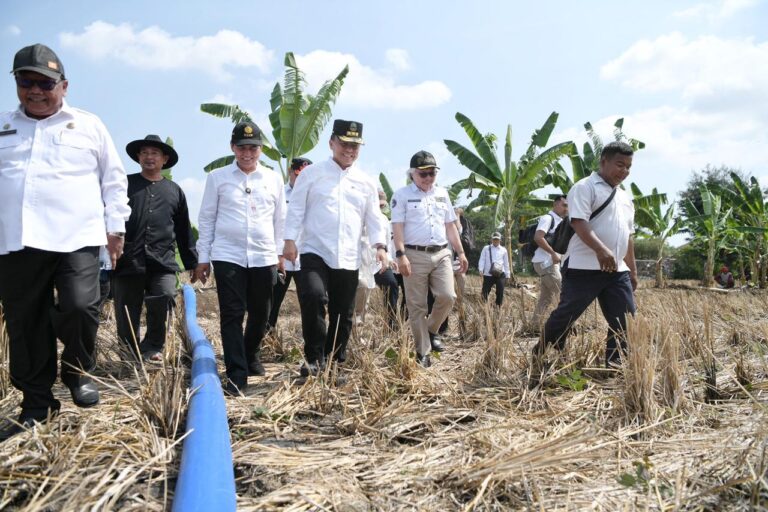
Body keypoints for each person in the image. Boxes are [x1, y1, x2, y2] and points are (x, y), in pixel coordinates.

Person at [0, 44, 130, 440]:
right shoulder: (3, 126)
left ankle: (77, 370)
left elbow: (114, 179)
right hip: (16, 241)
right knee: (26, 324)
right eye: (26, 81)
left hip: (76, 237)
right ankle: (37, 404)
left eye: (45, 82)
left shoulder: (89, 125)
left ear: (64, 85)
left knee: (79, 307)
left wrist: (116, 227)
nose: (35, 90)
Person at [283, 120, 387, 376]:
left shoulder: (365, 182)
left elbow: (374, 217)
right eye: (344, 144)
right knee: (314, 297)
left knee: (344, 312)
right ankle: (313, 359)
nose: (349, 150)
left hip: (348, 255)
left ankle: (334, 361)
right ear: (332, 143)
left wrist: (381, 246)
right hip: (314, 250)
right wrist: (289, 240)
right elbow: (296, 208)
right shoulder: (311, 174)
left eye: (355, 146)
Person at [531, 142, 638, 377]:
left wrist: (632, 269)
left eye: (628, 167)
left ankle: (615, 367)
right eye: (619, 164)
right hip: (584, 268)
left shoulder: (625, 198)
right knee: (566, 316)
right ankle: (541, 351)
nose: (624, 171)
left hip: (617, 271)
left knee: (626, 321)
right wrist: (601, 251)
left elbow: (628, 236)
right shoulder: (585, 187)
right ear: (603, 162)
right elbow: (578, 222)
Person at [194, 121, 285, 395]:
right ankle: (236, 373)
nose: (248, 153)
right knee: (232, 314)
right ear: (233, 148)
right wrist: (203, 257)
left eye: (253, 148)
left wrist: (281, 254)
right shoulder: (218, 178)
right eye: (242, 148)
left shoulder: (272, 178)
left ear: (261, 150)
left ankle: (249, 353)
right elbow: (207, 218)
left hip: (264, 254)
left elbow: (280, 220)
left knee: (261, 312)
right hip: (227, 255)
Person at [112, 135, 197, 362]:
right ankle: (129, 354)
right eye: (145, 153)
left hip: (162, 260)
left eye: (155, 153)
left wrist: (192, 264)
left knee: (165, 294)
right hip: (128, 259)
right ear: (138, 157)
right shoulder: (124, 184)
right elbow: (110, 217)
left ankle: (152, 346)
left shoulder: (174, 191)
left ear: (164, 159)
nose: (149, 157)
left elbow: (183, 230)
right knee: (126, 310)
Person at [391, 151, 468, 367]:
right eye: (422, 174)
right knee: (417, 306)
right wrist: (401, 255)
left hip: (442, 252)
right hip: (414, 254)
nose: (427, 178)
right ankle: (422, 352)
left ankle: (431, 330)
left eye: (431, 173)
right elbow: (397, 227)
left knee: (448, 296)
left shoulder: (443, 194)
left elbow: (450, 225)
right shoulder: (402, 195)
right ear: (412, 174)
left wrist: (460, 252)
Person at [267, 157, 311, 331]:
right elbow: (273, 224)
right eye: (298, 174)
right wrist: (277, 253)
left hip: (305, 258)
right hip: (281, 258)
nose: (301, 179)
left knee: (309, 301)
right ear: (291, 172)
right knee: (272, 301)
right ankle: (267, 335)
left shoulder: (314, 195)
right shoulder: (280, 193)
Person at [530, 195, 569, 328]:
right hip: (545, 262)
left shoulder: (561, 221)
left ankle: (534, 326)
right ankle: (565, 326)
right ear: (555, 205)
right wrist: (553, 253)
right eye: (564, 205)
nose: (566, 209)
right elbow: (538, 237)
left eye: (568, 206)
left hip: (548, 263)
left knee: (545, 298)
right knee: (564, 293)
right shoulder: (548, 218)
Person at [478, 232, 511, 306]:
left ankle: (498, 307)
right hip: (488, 273)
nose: (496, 241)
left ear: (500, 240)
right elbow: (482, 259)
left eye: (497, 239)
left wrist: (508, 275)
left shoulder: (504, 250)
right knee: (485, 292)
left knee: (500, 292)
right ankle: (484, 307)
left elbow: (506, 263)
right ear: (491, 239)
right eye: (494, 239)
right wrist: (480, 269)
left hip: (500, 274)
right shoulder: (486, 248)